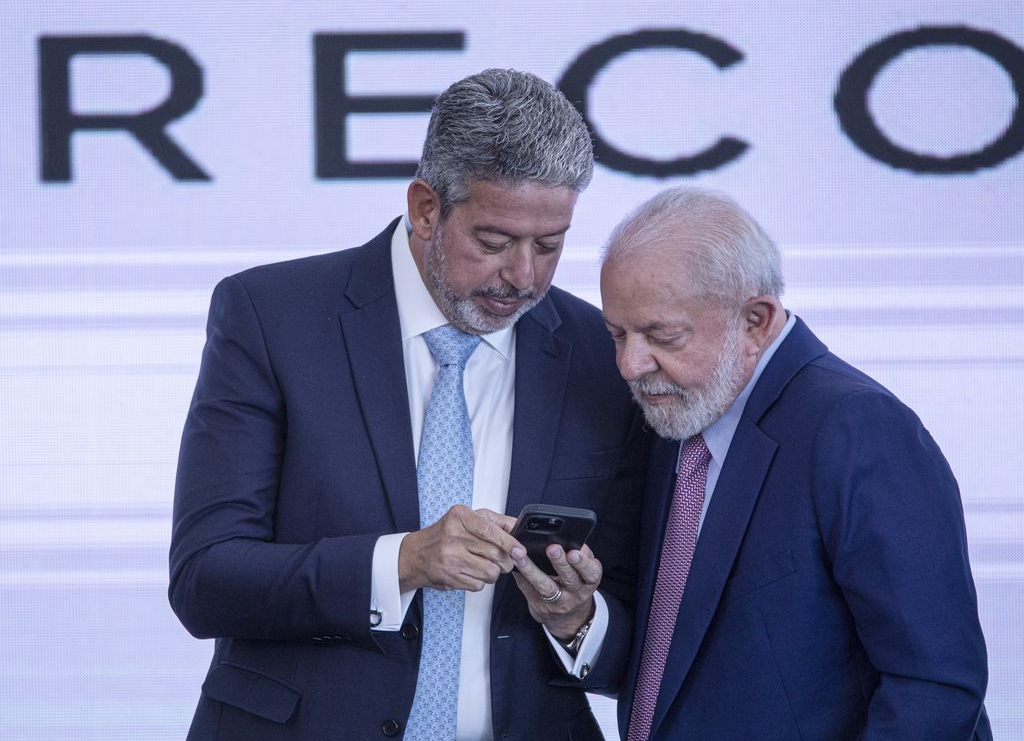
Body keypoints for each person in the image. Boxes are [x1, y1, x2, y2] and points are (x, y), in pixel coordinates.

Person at [168, 68, 648, 741]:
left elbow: (642, 629)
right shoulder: (272, 318)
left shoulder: (602, 357)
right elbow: (205, 579)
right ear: (426, 208)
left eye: (550, 244)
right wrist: (403, 562)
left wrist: (579, 618)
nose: (524, 276)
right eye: (494, 241)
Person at [599, 186, 992, 740]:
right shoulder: (683, 410)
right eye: (616, 333)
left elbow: (934, 685)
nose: (630, 364)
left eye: (662, 335)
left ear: (756, 320)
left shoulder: (858, 428)